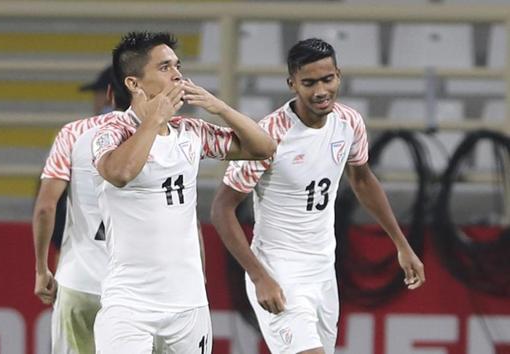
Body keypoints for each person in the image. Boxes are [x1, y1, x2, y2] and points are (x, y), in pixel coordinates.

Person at [210, 38, 426, 354]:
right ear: (292, 83)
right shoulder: (268, 136)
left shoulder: (349, 122)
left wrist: (402, 245)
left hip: (324, 270)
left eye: (327, 79)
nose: (321, 91)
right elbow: (221, 208)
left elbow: (363, 181)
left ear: (338, 74)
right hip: (279, 271)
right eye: (309, 83)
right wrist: (259, 276)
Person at [90, 31, 276, 354]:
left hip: (187, 304)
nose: (177, 74)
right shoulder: (112, 131)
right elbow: (119, 173)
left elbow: (264, 147)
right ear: (134, 83)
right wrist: (153, 120)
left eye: (177, 65)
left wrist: (219, 107)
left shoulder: (191, 132)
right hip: (129, 305)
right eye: (164, 67)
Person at [32, 67, 126, 354]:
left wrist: (41, 269)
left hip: (81, 281)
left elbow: (47, 207)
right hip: (137, 287)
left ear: (110, 93)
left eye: (99, 93)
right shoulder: (162, 138)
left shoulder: (74, 134)